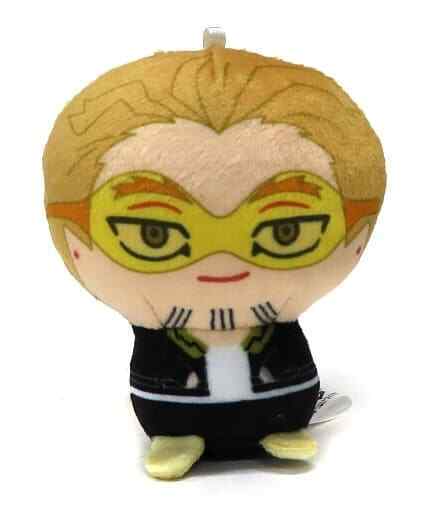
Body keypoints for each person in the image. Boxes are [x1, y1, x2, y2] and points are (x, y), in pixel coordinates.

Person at [44, 47, 385, 479]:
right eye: (153, 234)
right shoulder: (170, 332)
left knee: (281, 404)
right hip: (173, 408)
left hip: (281, 405)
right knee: (174, 410)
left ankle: (280, 427)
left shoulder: (266, 327)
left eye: (285, 231)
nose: (222, 263)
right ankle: (177, 435)